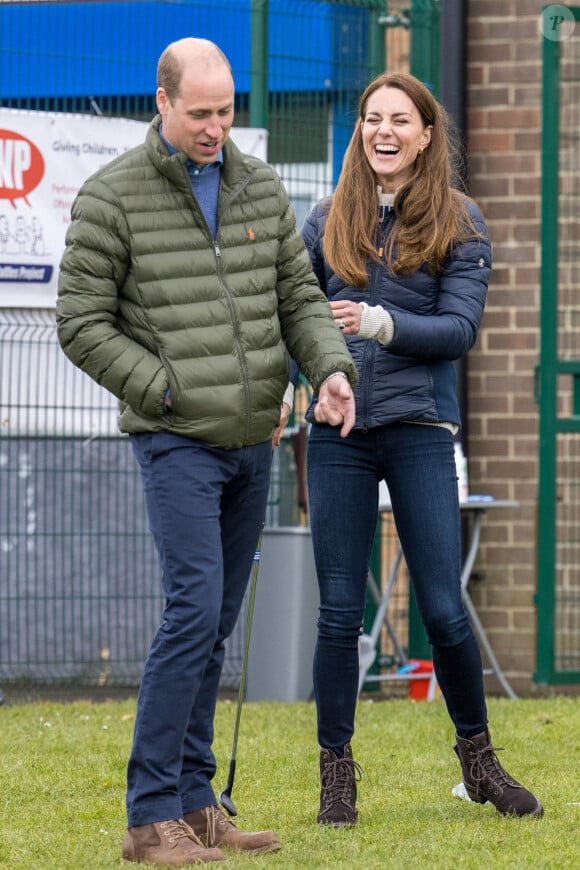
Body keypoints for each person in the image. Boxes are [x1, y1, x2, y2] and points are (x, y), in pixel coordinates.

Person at [56, 37, 357, 867]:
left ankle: (197, 802)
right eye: (200, 113)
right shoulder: (111, 196)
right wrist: (164, 390)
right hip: (175, 440)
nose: (216, 128)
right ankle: (150, 817)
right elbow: (79, 323)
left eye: (227, 112)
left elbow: (298, 296)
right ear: (162, 103)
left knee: (215, 622)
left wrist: (329, 369)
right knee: (193, 611)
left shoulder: (258, 183)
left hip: (250, 442)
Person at [301, 71, 543, 827]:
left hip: (418, 432)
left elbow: (459, 332)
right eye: (372, 118)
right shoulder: (322, 220)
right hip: (338, 435)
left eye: (400, 120)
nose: (383, 131)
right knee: (340, 613)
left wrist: (378, 324)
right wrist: (307, 380)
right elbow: (297, 316)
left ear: (427, 133)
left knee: (442, 606)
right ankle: (336, 778)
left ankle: (479, 764)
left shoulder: (461, 222)